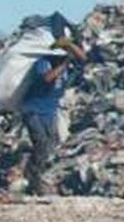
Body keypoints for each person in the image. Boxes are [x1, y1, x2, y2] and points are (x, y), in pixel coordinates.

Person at [19, 36, 83, 195]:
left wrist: (70, 45)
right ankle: (32, 176)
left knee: (52, 144)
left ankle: (36, 175)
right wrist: (64, 63)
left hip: (49, 112)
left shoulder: (67, 67)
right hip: (32, 110)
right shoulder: (43, 63)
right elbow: (48, 77)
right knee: (41, 142)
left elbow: (84, 59)